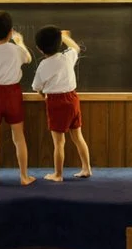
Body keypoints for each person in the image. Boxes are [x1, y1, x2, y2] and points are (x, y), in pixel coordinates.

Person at [0, 11, 36, 187]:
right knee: (19, 138)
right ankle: (24, 176)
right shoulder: (16, 50)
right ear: (11, 32)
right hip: (13, 94)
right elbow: (29, 58)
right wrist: (20, 42)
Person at [32, 26, 92, 182]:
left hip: (56, 102)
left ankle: (58, 174)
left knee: (59, 142)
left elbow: (37, 87)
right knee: (78, 136)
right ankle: (86, 168)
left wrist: (43, 95)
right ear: (59, 43)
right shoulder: (67, 57)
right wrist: (65, 37)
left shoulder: (43, 65)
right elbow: (75, 48)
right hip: (72, 98)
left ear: (39, 48)